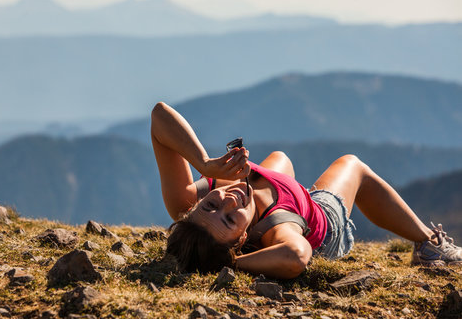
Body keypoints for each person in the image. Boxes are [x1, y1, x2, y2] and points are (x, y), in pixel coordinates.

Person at [150, 102, 462, 279]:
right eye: (230, 220)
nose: (227, 201)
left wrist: (205, 164)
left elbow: (159, 116)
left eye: (210, 206)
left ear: (193, 209)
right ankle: (430, 244)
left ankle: (284, 192)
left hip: (286, 200)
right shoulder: (280, 232)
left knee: (279, 159)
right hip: (320, 224)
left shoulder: (187, 208)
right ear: (243, 240)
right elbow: (297, 255)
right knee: (353, 166)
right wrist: (229, 264)